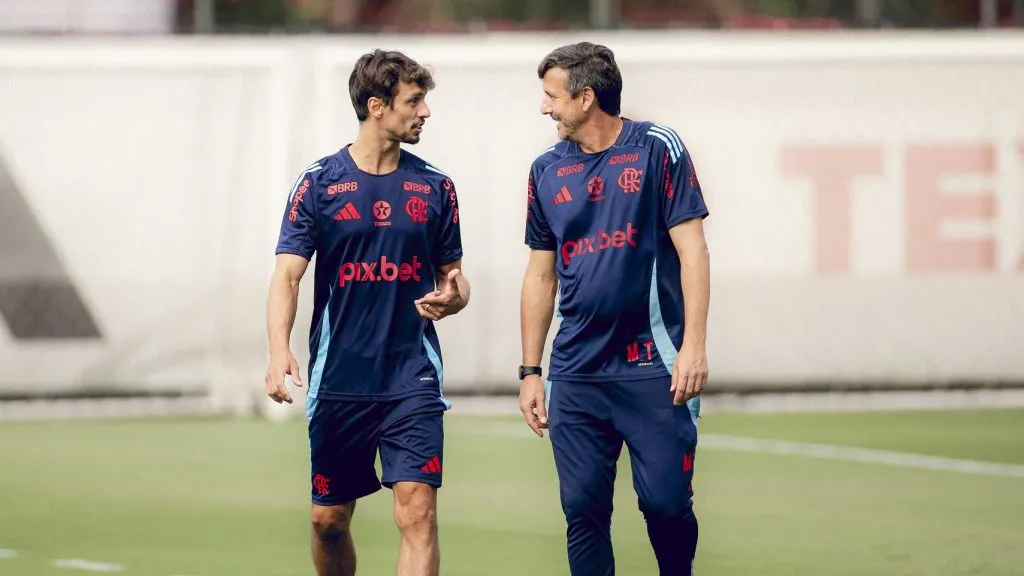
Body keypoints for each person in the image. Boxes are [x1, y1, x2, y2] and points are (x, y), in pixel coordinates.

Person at [265, 49, 470, 576]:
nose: (425, 112)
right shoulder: (318, 183)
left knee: (419, 515)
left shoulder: (435, 187)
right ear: (376, 105)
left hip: (411, 377)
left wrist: (454, 296)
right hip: (340, 378)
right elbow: (287, 277)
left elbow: (455, 279)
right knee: (327, 520)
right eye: (414, 100)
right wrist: (277, 350)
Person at [518, 41, 711, 576]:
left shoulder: (657, 148)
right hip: (576, 372)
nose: (544, 108)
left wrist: (693, 346)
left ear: (585, 97)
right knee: (582, 511)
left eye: (551, 96)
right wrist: (531, 371)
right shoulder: (544, 171)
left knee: (667, 505)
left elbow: (692, 252)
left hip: (654, 366)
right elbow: (540, 275)